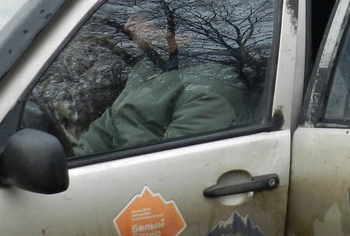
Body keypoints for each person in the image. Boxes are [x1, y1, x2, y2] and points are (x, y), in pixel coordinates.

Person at [71, 15, 250, 157]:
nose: (127, 27)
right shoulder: (147, 71)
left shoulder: (209, 89)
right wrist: (69, 163)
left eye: (142, 20)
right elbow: (105, 130)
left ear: (182, 35)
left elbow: (165, 166)